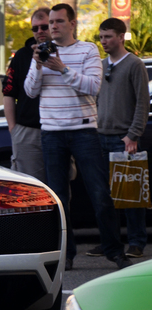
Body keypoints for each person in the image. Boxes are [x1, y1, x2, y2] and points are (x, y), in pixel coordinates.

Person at [24, 3, 132, 271]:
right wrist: (38, 65)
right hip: (52, 133)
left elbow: (93, 87)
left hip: (83, 130)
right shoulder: (42, 52)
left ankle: (114, 251)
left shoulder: (88, 50)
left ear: (72, 24)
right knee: (59, 198)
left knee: (99, 192)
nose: (53, 27)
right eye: (51, 22)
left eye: (59, 21)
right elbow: (29, 92)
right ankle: (67, 254)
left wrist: (61, 68)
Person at [85, 18, 150, 259]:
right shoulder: (101, 65)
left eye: (109, 36)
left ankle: (136, 242)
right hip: (99, 138)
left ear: (122, 37)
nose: (104, 41)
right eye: (101, 37)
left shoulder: (135, 65)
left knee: (131, 194)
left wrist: (132, 135)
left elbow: (143, 104)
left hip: (123, 139)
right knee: (104, 196)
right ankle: (109, 242)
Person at [2, 7, 52, 183]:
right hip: (28, 131)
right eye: (35, 28)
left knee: (60, 186)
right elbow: (8, 93)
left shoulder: (64, 52)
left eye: (44, 26)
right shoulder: (22, 56)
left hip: (59, 129)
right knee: (30, 187)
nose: (40, 31)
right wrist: (13, 129)